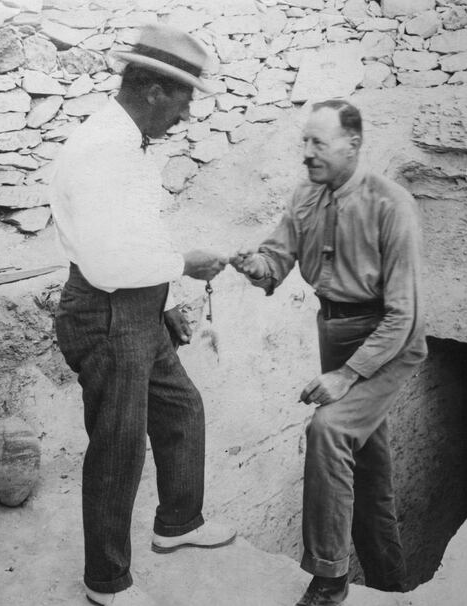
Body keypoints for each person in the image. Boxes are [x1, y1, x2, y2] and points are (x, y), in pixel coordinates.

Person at [50, 24, 236, 606]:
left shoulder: (124, 143)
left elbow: (136, 238)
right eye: (182, 100)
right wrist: (185, 262)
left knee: (181, 409)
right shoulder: (105, 150)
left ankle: (178, 523)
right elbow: (108, 263)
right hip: (107, 312)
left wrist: (167, 299)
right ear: (155, 90)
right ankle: (105, 582)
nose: (184, 115)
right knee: (118, 447)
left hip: (136, 308)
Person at [231, 99, 427, 606]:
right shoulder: (305, 197)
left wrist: (346, 375)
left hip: (390, 341)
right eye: (305, 141)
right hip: (335, 331)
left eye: (319, 142)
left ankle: (330, 577)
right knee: (369, 466)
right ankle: (390, 583)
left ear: (353, 144)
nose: (307, 153)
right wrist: (259, 267)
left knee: (330, 430)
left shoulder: (392, 205)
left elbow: (403, 315)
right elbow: (277, 257)